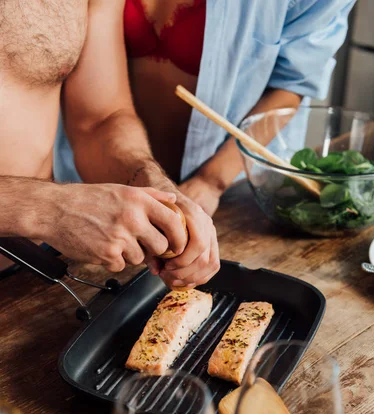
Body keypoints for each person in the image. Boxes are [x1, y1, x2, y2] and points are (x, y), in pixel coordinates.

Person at [55, 0, 357, 217]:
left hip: (231, 189)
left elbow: (291, 84)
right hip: (100, 171)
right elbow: (96, 114)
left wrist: (211, 182)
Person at [0, 0, 219, 289]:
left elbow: (99, 120)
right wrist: (49, 209)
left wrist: (157, 191)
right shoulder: (51, 211)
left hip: (34, 271)